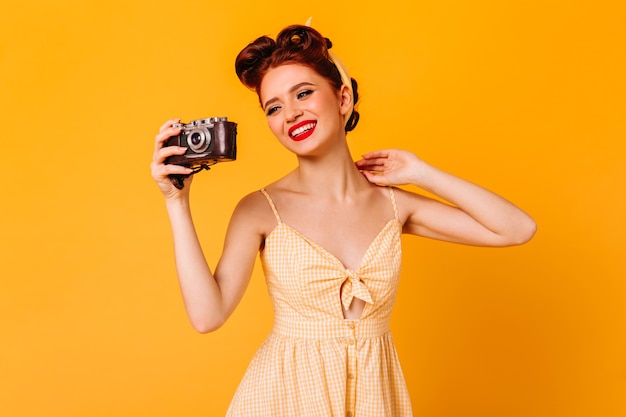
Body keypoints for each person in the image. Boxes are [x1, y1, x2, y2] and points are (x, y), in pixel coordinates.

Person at [151, 23, 536, 417]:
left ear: (343, 96)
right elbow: (207, 316)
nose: (292, 113)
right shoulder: (260, 209)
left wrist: (422, 173)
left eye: (303, 93)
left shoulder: (393, 204)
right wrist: (176, 203)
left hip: (374, 398)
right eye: (274, 107)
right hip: (284, 399)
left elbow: (516, 228)